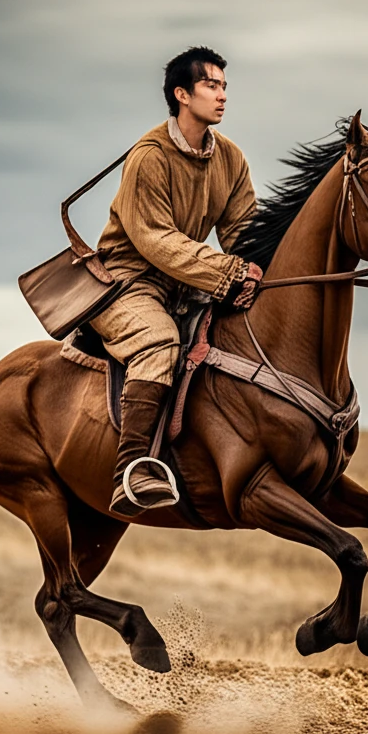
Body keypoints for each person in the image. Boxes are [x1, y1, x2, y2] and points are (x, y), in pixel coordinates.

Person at [91, 46, 263, 518]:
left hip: (187, 284)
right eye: (211, 85)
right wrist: (228, 273)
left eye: (225, 86)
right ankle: (132, 471)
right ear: (181, 94)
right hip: (127, 282)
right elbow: (156, 240)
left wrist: (261, 270)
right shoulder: (149, 157)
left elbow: (242, 231)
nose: (222, 95)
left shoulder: (231, 158)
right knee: (161, 342)